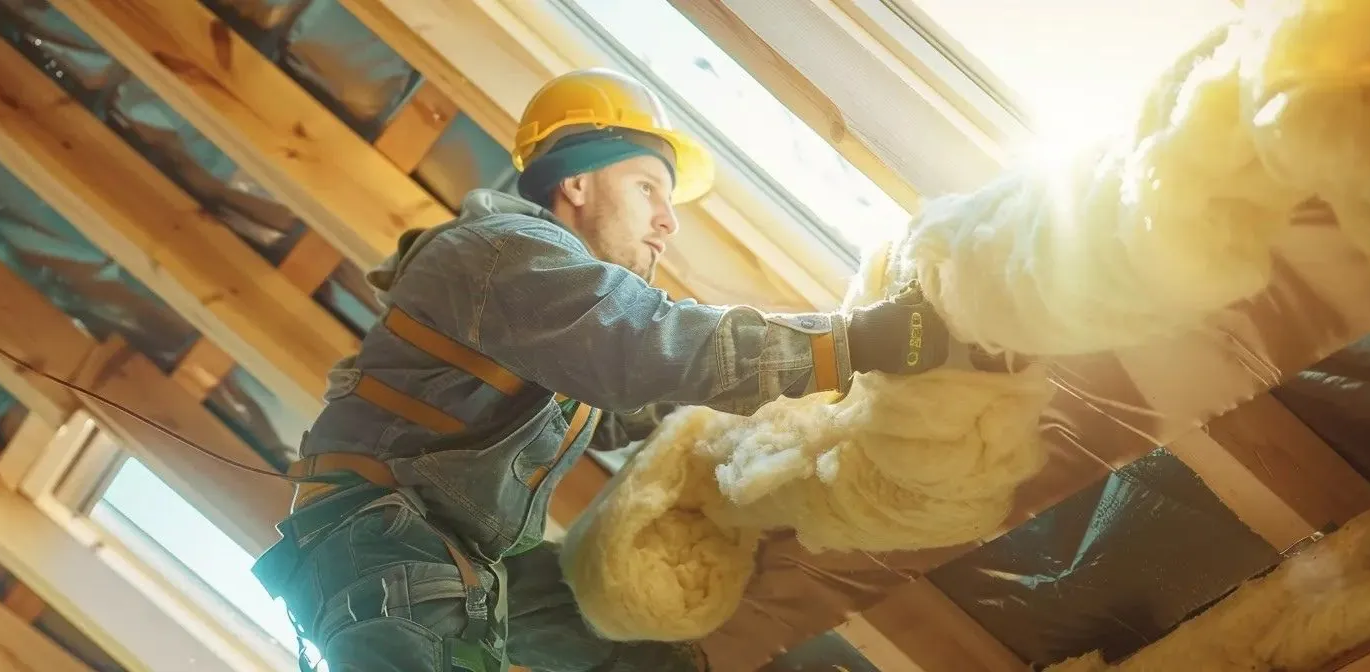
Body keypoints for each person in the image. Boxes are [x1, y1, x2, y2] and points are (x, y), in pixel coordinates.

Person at [251, 67, 952, 672]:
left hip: (442, 549)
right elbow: (646, 346)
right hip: (387, 549)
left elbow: (615, 407)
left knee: (637, 640)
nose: (666, 222)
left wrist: (797, 392)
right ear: (579, 183)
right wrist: (852, 343)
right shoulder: (508, 251)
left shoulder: (545, 317)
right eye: (649, 187)